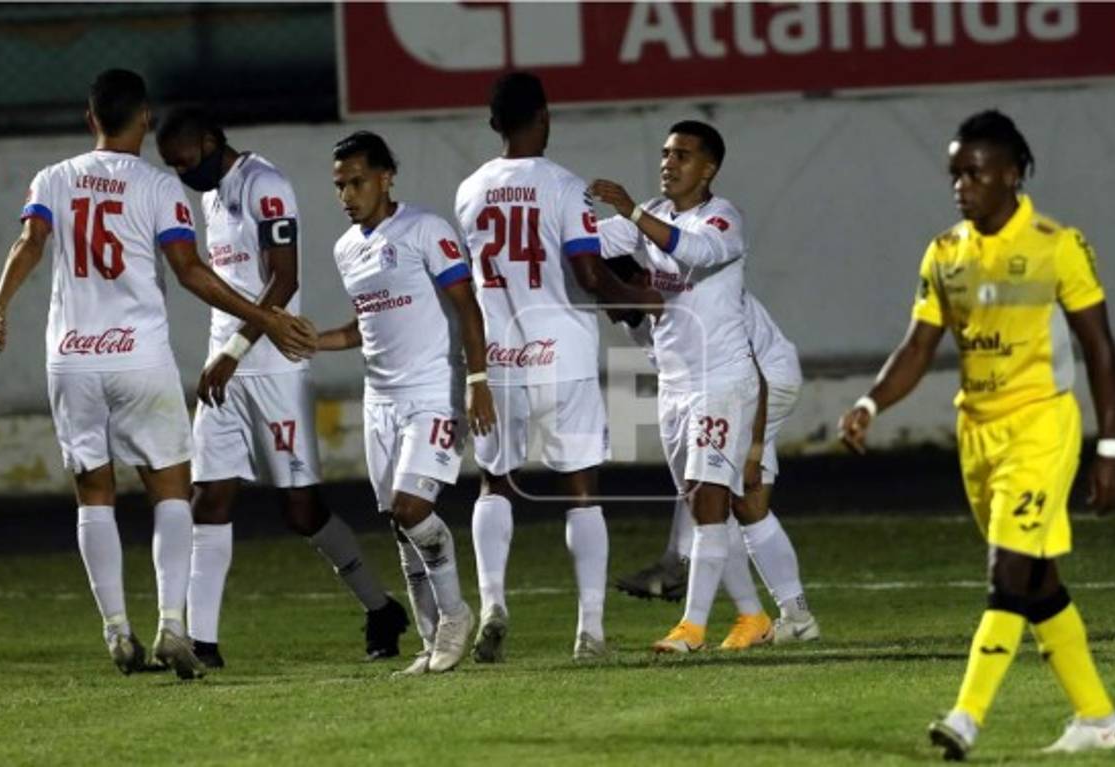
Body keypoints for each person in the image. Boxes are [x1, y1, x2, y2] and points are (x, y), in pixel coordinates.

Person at [0, 69, 316, 679]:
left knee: (94, 493)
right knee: (168, 488)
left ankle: (116, 632)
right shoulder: (160, 188)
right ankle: (171, 624)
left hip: (72, 358)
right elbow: (190, 271)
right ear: (143, 120)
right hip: (138, 357)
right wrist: (261, 315)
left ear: (91, 120)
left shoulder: (52, 178)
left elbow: (29, 242)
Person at [837, 110, 1115, 759]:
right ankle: (1099, 719)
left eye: (973, 173)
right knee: (1038, 580)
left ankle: (966, 717)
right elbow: (918, 346)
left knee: (1006, 573)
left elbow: (1101, 351)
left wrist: (1109, 448)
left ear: (1012, 175)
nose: (961, 186)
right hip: (979, 435)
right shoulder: (946, 253)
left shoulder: (1058, 244)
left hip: (1042, 428)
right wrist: (869, 403)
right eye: (954, 175)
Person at [155, 109, 409, 669]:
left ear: (211, 138)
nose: (182, 173)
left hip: (272, 368)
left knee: (300, 511)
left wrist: (236, 349)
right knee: (210, 499)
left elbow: (285, 278)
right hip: (226, 363)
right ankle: (202, 644)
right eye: (172, 168)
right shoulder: (210, 196)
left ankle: (381, 606)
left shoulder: (264, 185)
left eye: (186, 161)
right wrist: (224, 352)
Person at [455, 72, 663, 662]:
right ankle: (590, 632)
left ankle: (493, 603)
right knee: (581, 493)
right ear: (543, 116)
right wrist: (635, 299)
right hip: (562, 356)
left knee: (495, 482)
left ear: (494, 123)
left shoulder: (469, 191)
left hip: (499, 360)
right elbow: (590, 273)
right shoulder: (565, 187)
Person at [591, 120, 776, 654]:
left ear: (709, 168)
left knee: (709, 501)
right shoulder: (656, 212)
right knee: (702, 507)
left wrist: (630, 211)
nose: (669, 163)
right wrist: (546, 218)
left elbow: (691, 252)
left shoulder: (723, 219)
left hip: (722, 381)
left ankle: (691, 627)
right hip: (674, 387)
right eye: (667, 153)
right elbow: (596, 242)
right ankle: (753, 618)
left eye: (684, 155)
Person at [318, 131, 496, 675]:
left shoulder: (425, 229)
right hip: (381, 402)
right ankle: (428, 642)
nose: (347, 195)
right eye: (340, 186)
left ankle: (456, 615)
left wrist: (478, 379)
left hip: (431, 394)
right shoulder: (346, 249)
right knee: (400, 526)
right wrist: (319, 341)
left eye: (357, 182)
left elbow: (467, 306)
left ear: (386, 176)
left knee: (412, 509)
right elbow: (367, 324)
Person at [611, 276, 819, 646]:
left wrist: (753, 449)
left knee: (711, 497)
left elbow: (751, 372)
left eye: (613, 295)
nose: (610, 310)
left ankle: (700, 622)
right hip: (735, 384)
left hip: (763, 380)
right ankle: (788, 617)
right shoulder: (642, 314)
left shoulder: (689, 297)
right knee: (739, 502)